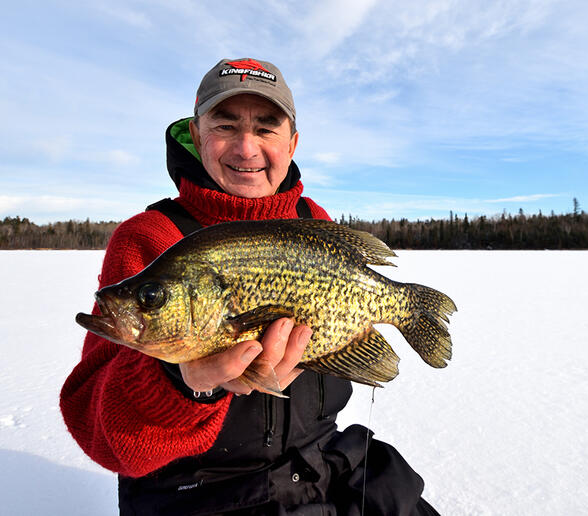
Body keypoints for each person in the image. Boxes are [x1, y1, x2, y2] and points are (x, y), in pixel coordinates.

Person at [60, 57, 440, 515]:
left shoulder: (314, 225)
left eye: (266, 128)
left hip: (325, 467)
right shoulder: (149, 239)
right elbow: (102, 435)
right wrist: (180, 384)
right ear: (197, 136)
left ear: (292, 143)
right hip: (204, 497)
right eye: (225, 125)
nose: (246, 148)